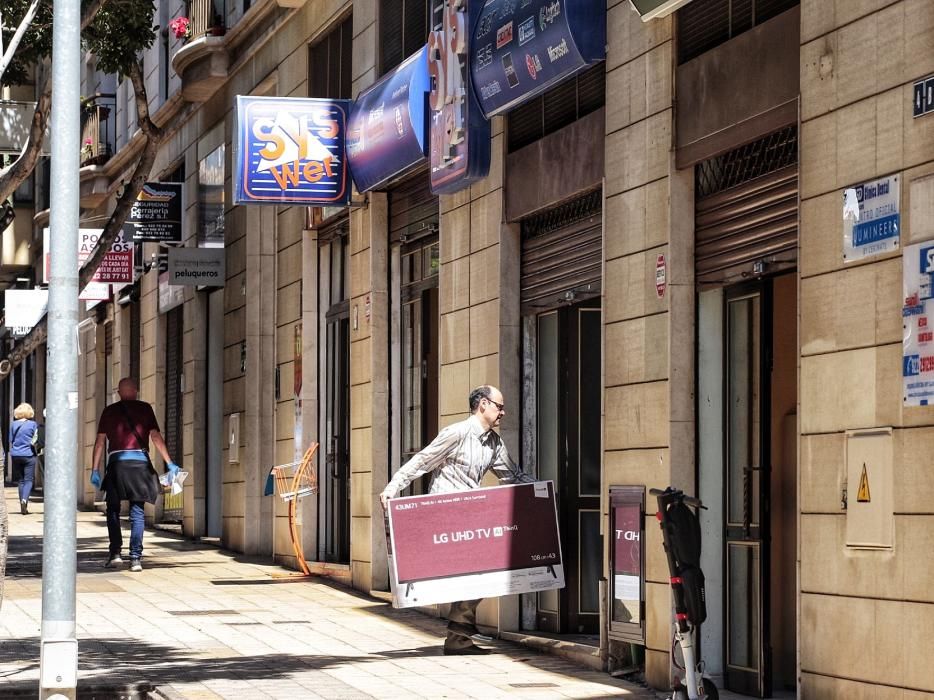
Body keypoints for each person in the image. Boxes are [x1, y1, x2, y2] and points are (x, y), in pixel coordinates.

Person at [380, 385, 534, 656]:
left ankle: (458, 637)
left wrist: (542, 492)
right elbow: (423, 461)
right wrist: (394, 487)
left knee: (489, 572)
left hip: (470, 517)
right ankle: (459, 634)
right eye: (499, 406)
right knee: (477, 572)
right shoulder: (457, 433)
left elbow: (513, 476)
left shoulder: (494, 443)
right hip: (444, 515)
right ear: (483, 404)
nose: (503, 412)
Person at [91, 377, 178, 572]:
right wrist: (169, 462)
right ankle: (136, 558)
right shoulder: (145, 408)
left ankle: (115, 554)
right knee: (137, 512)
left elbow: (99, 443)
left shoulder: (109, 411)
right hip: (140, 464)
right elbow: (155, 437)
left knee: (112, 509)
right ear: (136, 391)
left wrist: (95, 469)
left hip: (116, 465)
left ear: (119, 392)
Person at [9, 402, 39, 515]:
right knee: (29, 480)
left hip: (16, 454)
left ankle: (22, 503)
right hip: (29, 454)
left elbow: (11, 440)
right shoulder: (33, 424)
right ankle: (25, 500)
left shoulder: (13, 424)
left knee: (20, 480)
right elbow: (35, 439)